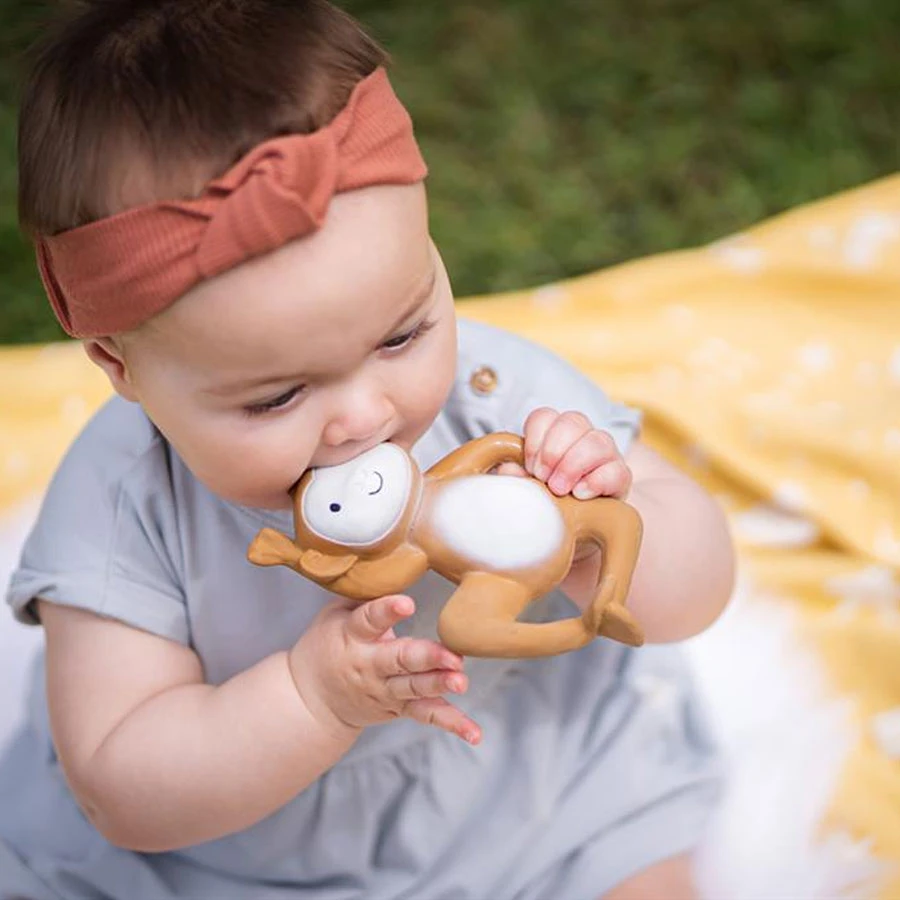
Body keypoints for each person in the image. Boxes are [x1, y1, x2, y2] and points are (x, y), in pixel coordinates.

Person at [0, 2, 735, 897]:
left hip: (545, 774)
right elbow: (121, 788)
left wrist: (596, 534)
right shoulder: (122, 504)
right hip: (242, 862)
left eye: (401, 335)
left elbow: (697, 595)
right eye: (277, 396)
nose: (363, 417)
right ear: (122, 367)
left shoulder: (496, 394)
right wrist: (310, 699)